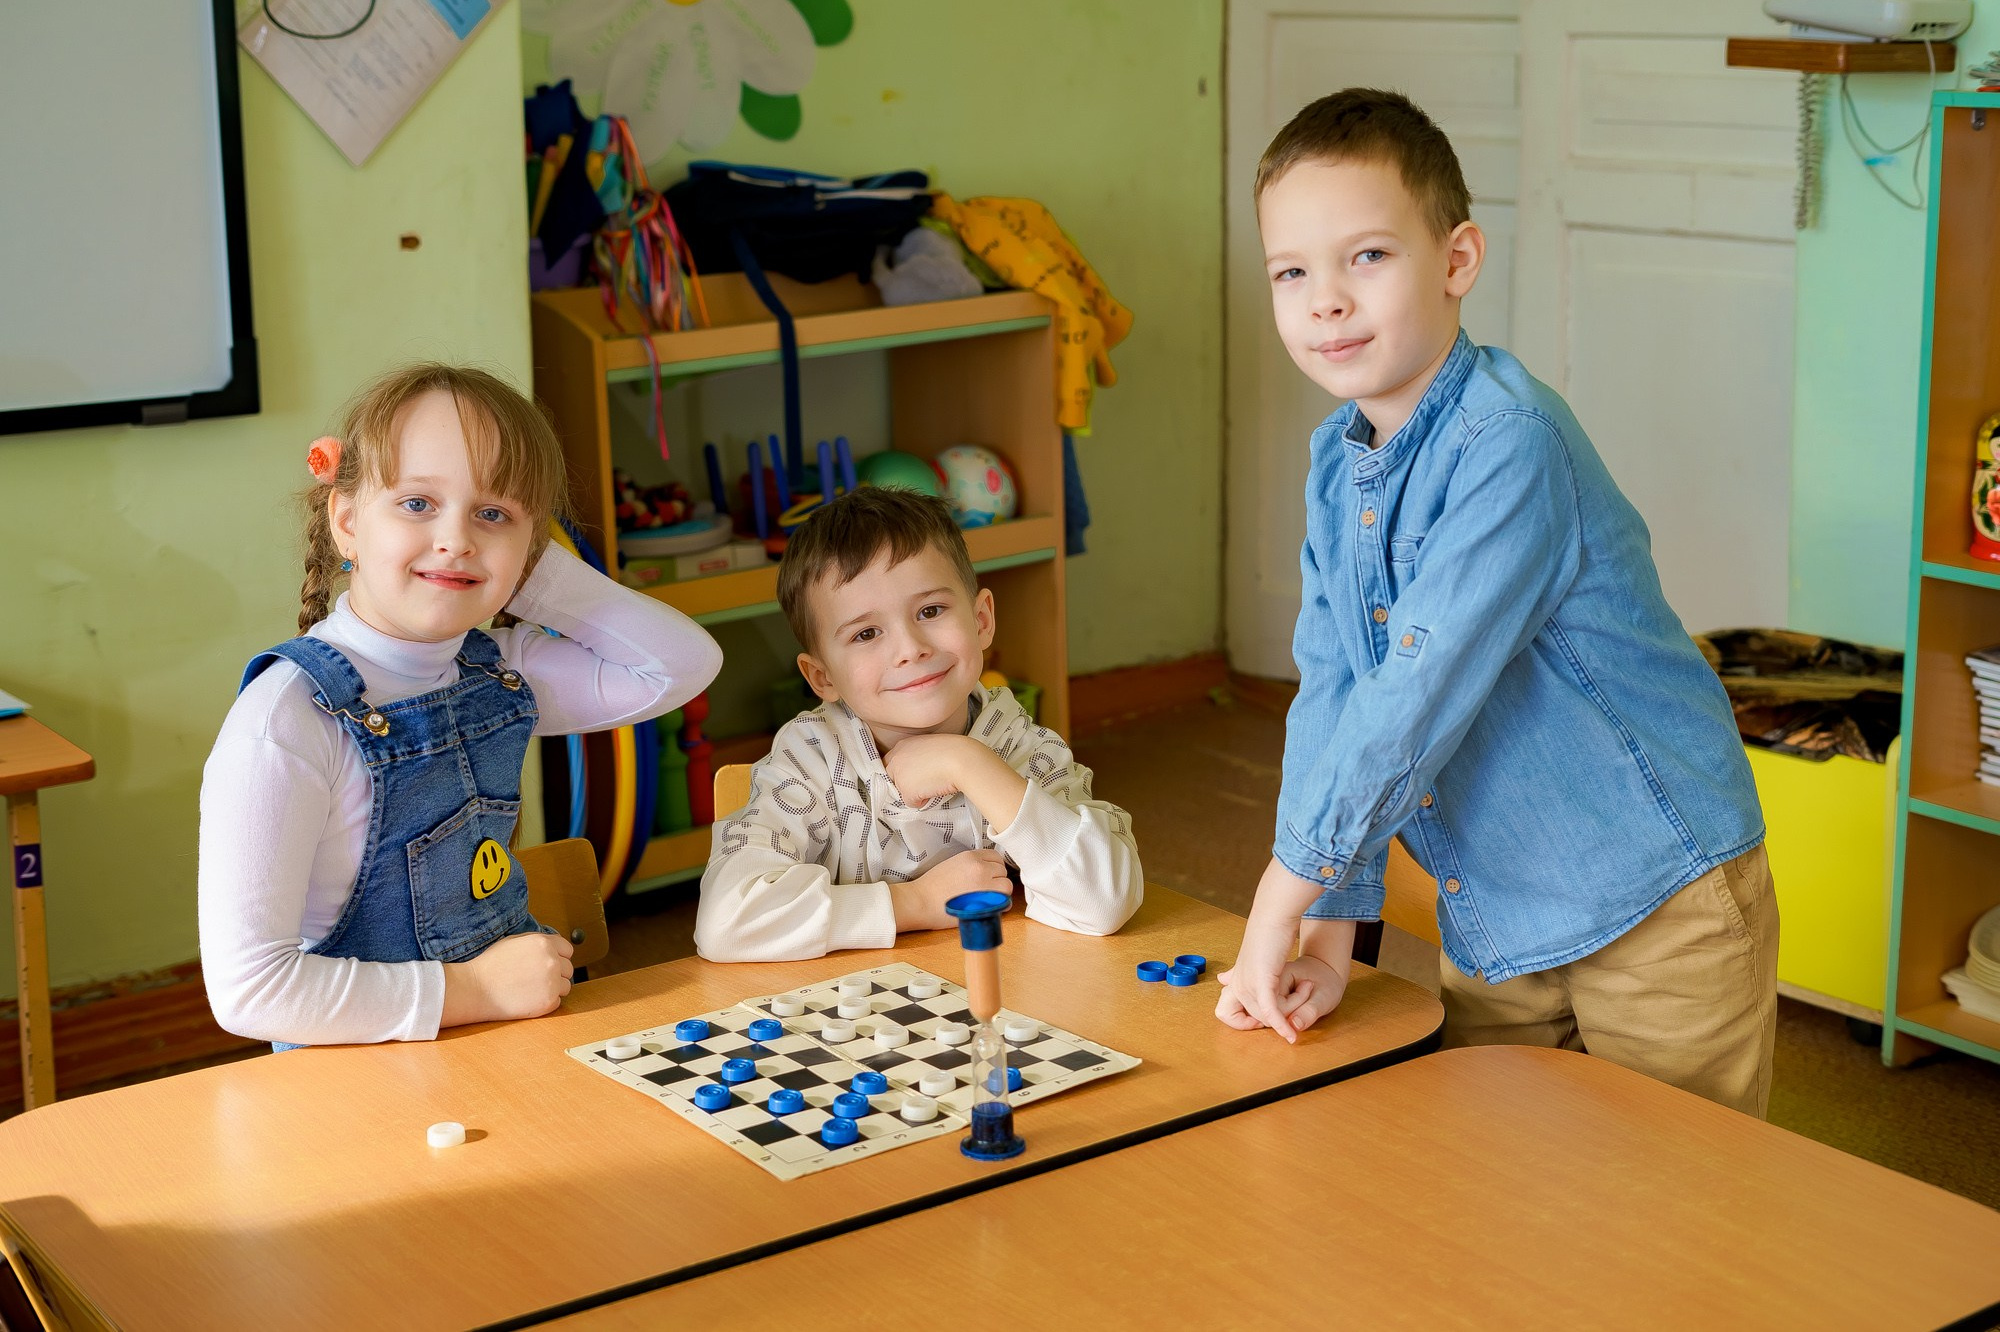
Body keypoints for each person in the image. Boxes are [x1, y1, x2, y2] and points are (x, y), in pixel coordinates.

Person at [1220, 89, 1777, 1116]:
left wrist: (1275, 896)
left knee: (1685, 1217)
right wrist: (1329, 931)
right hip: (1500, 906)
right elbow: (1336, 691)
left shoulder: (1507, 444)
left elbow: (1411, 700)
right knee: (1508, 1206)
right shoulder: (1331, 465)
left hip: (1657, 896)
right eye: (1289, 272)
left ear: (1456, 261)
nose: (1324, 300)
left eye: (1367, 257)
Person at [199, 364, 721, 1047]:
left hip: (501, 1051)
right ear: (348, 522)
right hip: (356, 1092)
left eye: (493, 513)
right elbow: (250, 992)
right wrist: (472, 991)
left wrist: (528, 571)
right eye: (417, 503)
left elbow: (682, 666)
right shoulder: (287, 723)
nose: (457, 539)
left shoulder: (498, 671)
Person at [695, 486, 1141, 962]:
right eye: (867, 633)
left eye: (930, 611)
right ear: (822, 677)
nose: (910, 648)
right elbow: (725, 922)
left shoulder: (1021, 745)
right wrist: (915, 904)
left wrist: (967, 761)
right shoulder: (809, 762)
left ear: (982, 619)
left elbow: (1104, 902)